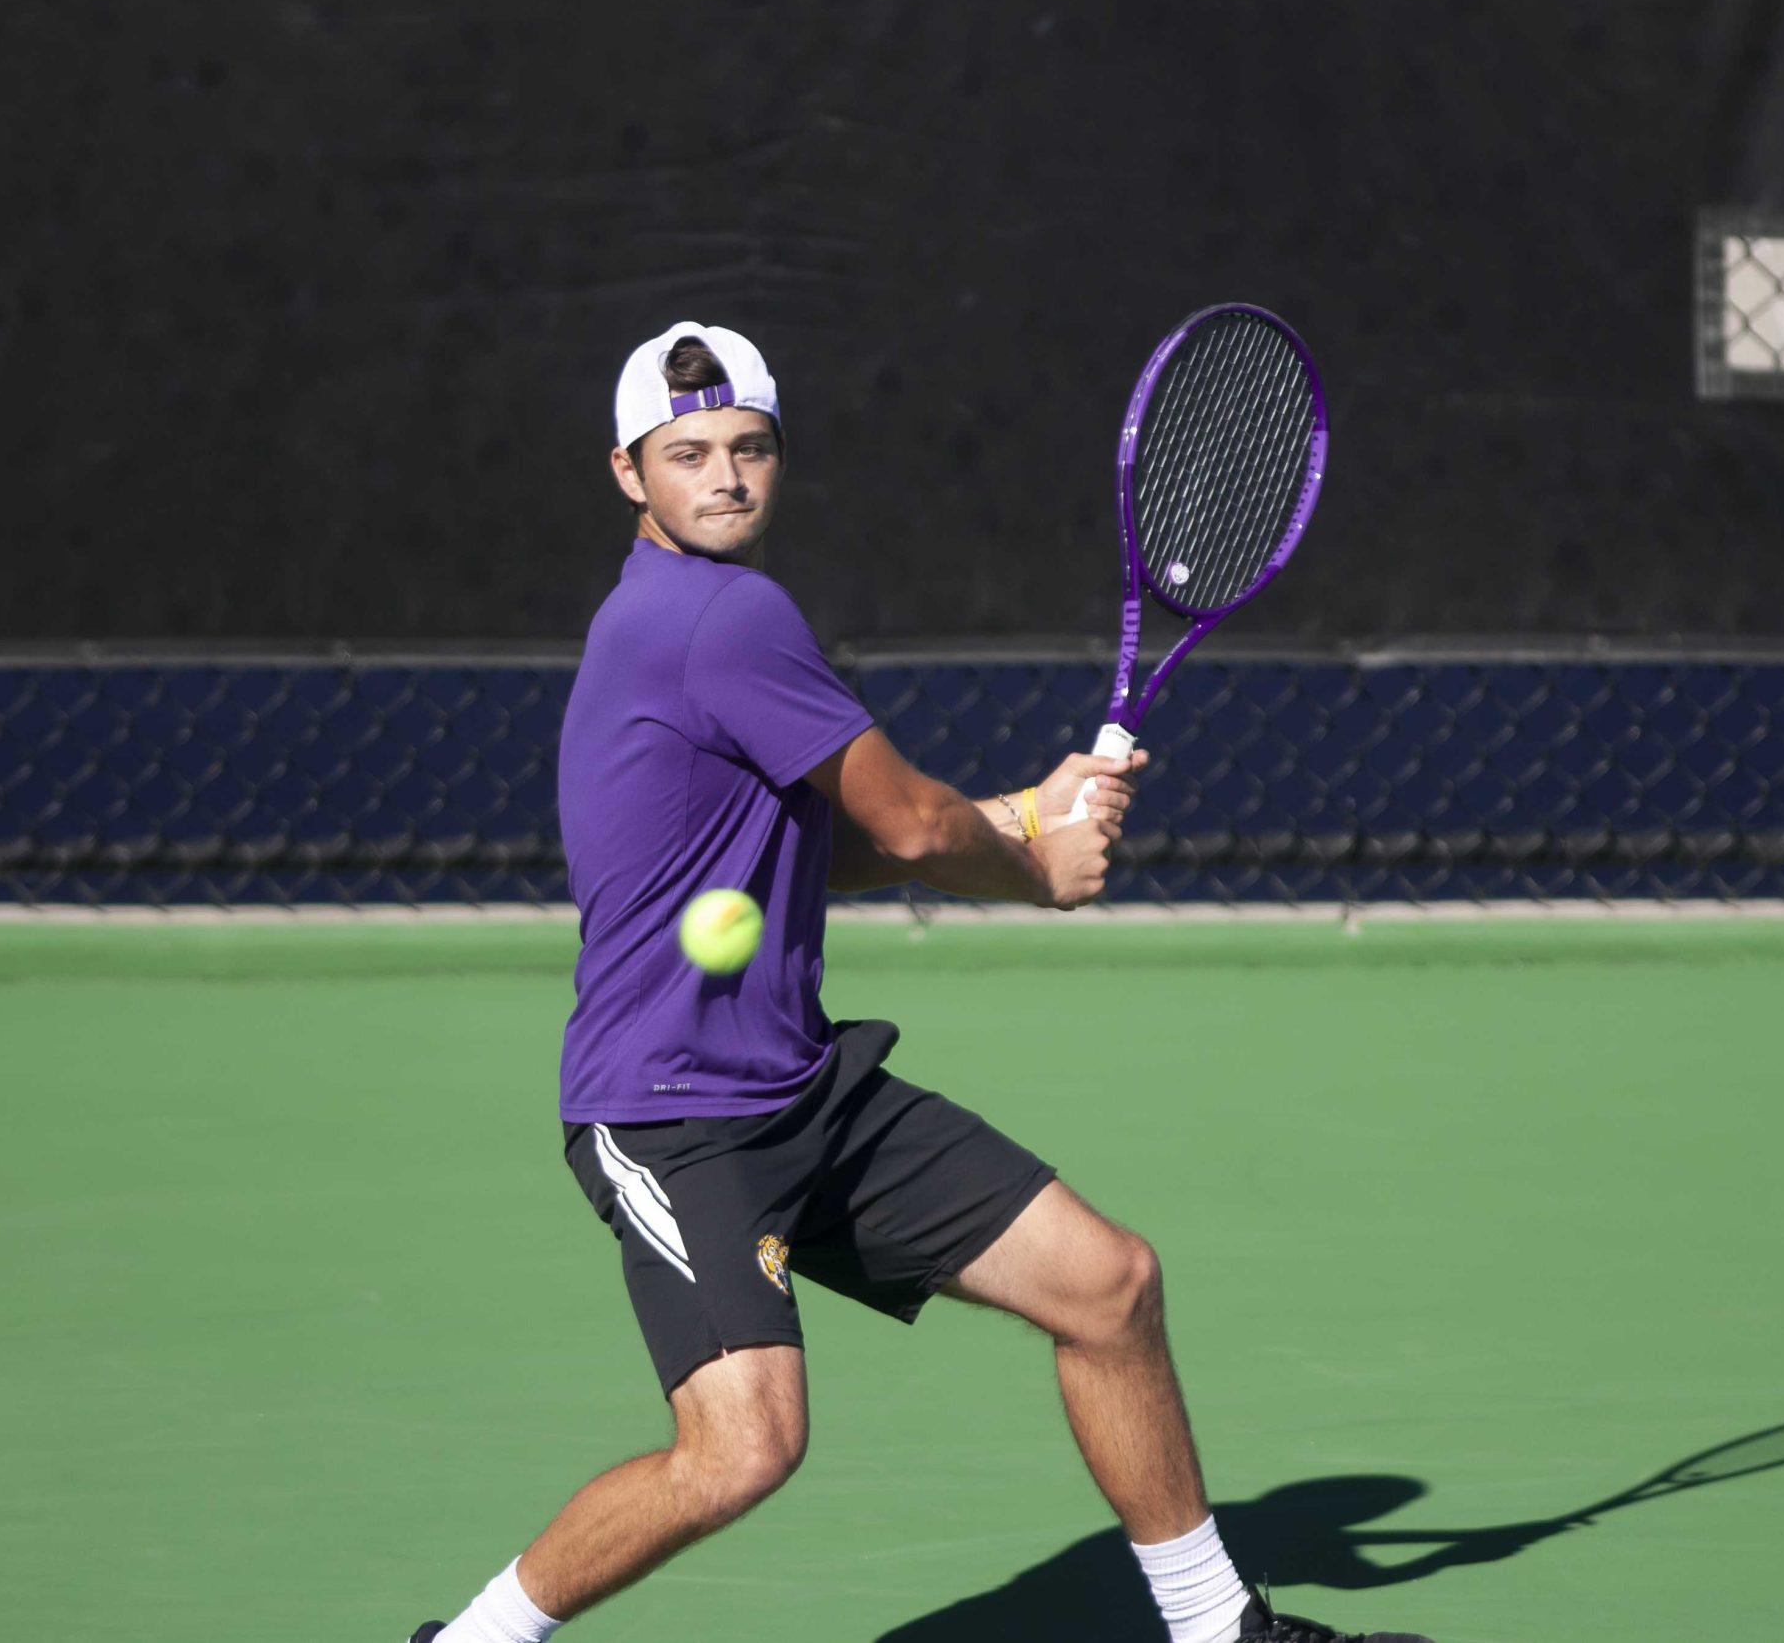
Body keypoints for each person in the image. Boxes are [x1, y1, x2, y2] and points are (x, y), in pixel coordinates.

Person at [408, 323, 1429, 1643]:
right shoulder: (724, 616)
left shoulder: (671, 617)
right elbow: (905, 829)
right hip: (672, 1114)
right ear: (628, 474)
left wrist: (1019, 807)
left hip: (799, 1088)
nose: (725, 476)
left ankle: (1215, 1628)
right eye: (689, 454)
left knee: (1106, 1285)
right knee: (738, 1450)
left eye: (749, 449)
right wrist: (1037, 871)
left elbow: (815, 847)